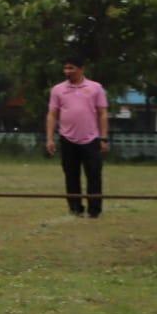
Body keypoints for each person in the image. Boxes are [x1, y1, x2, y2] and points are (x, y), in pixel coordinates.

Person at [46, 56, 110, 218]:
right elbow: (52, 114)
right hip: (67, 138)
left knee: (94, 175)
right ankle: (75, 208)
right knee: (71, 175)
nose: (67, 71)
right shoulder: (58, 89)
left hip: (91, 139)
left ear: (81, 69)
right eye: (65, 68)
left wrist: (103, 138)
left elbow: (102, 113)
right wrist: (50, 138)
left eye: (71, 68)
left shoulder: (95, 88)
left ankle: (94, 210)